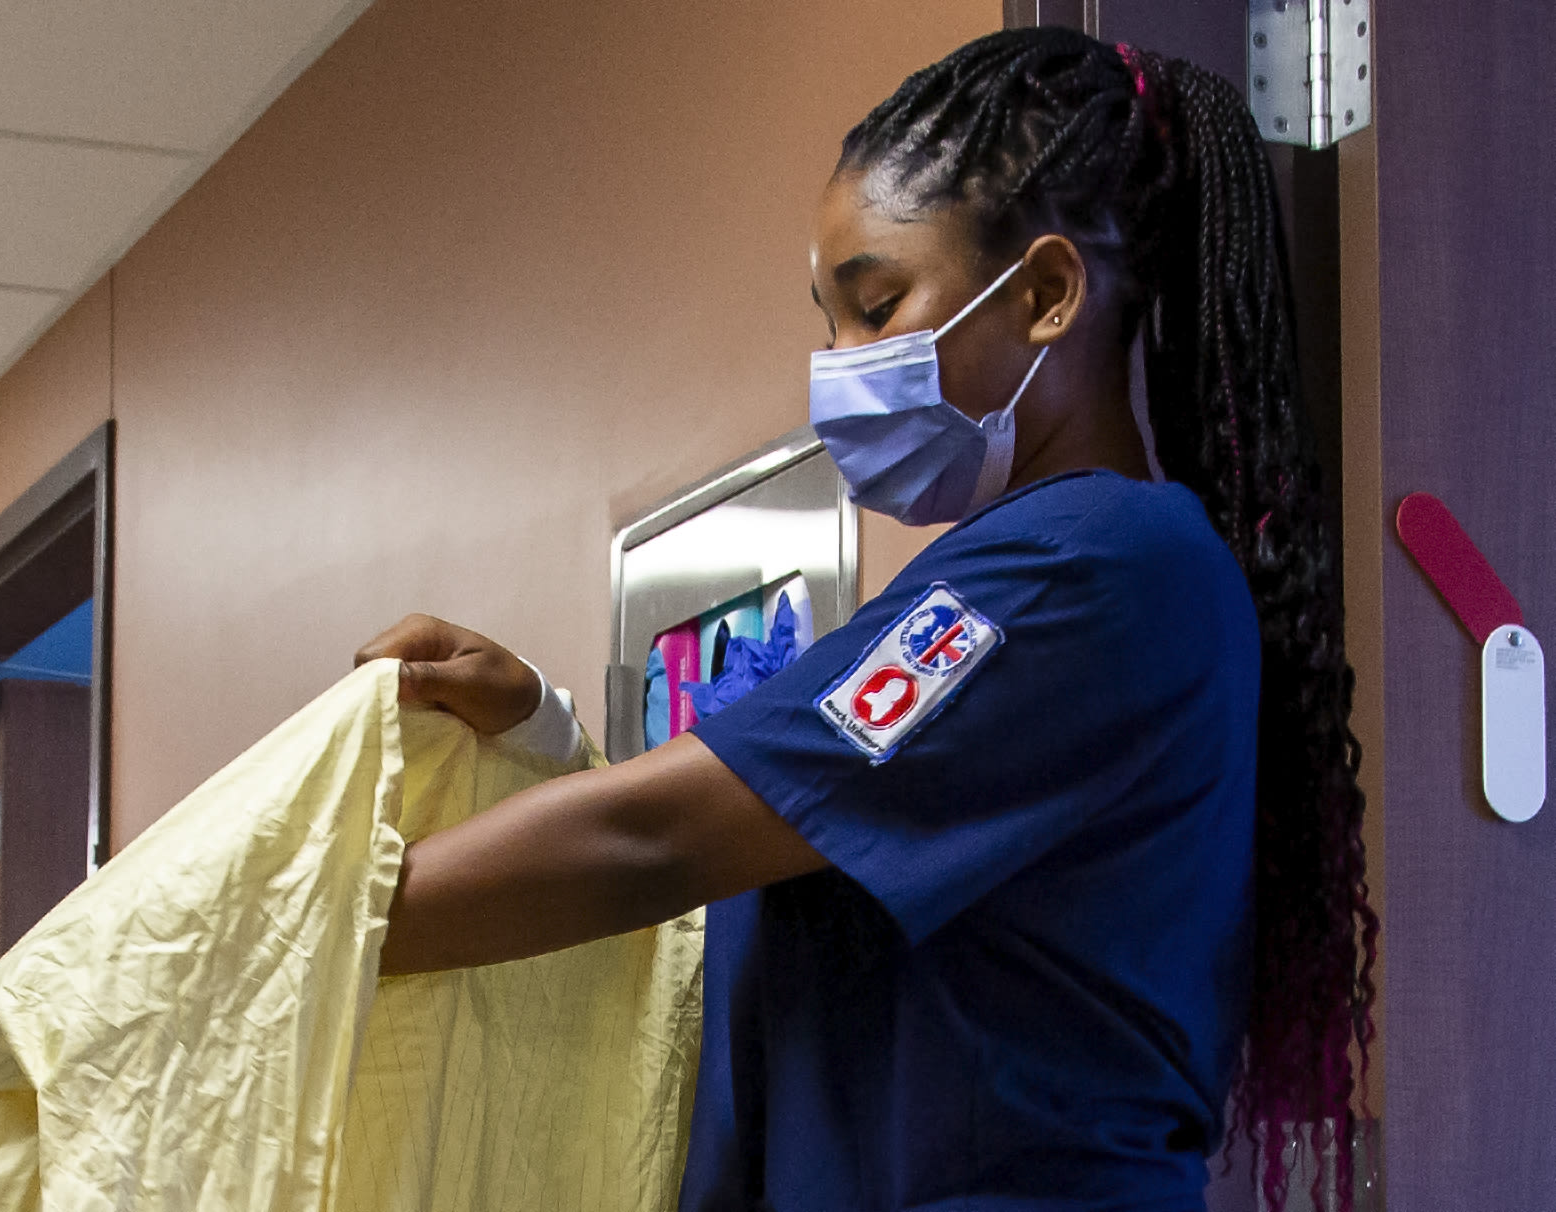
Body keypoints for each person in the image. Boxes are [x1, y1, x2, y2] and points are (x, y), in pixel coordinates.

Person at [354, 28, 1375, 1212]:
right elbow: (762, 866)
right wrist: (541, 732)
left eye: (876, 306)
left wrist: (295, 926)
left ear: (1046, 295)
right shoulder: (1006, 578)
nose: (838, 365)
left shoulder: (1096, 567)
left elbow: (662, 842)